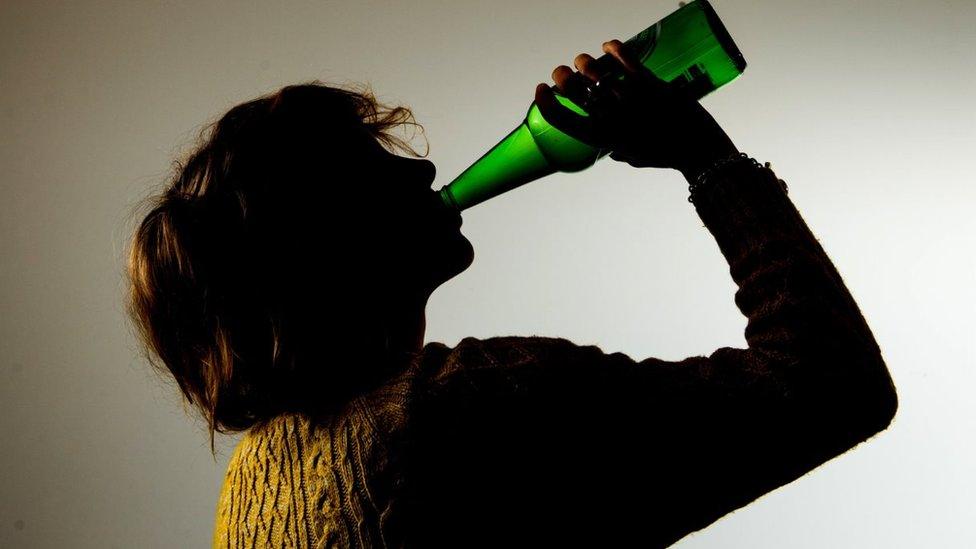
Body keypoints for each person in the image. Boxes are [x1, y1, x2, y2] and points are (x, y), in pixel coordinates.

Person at [125, 39, 897, 548]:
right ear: (318, 242)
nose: (422, 171)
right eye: (371, 169)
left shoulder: (249, 498)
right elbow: (829, 387)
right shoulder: (464, 407)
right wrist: (708, 159)